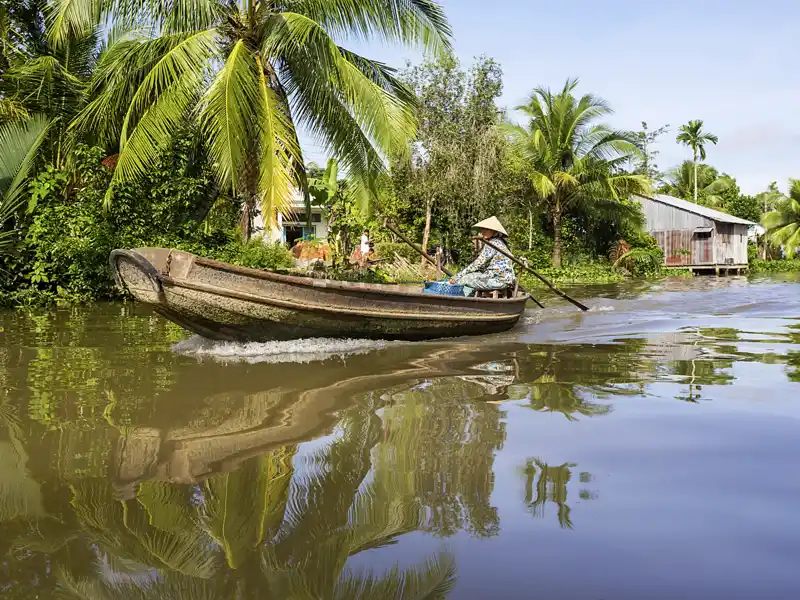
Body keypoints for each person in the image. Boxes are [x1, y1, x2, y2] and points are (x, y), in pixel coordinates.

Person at [449, 216, 515, 297]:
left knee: (463, 279)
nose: (483, 232)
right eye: (482, 229)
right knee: (471, 275)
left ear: (494, 231)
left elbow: (478, 263)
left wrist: (457, 276)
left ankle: (460, 300)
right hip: (502, 279)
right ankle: (469, 297)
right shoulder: (500, 242)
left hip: (498, 280)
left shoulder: (493, 244)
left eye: (486, 229)